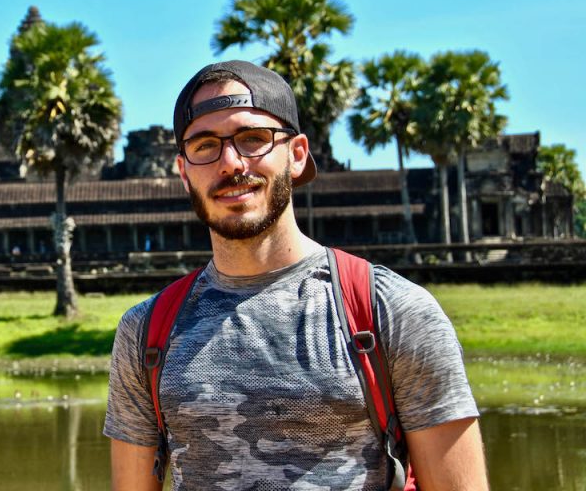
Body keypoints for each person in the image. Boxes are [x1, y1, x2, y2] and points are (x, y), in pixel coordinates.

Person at [104, 60, 487, 490]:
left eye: (253, 139)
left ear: (298, 154)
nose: (230, 163)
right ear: (183, 170)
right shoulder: (145, 333)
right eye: (205, 145)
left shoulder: (392, 312)